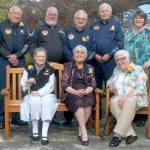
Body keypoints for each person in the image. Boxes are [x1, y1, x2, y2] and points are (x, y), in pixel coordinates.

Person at [31, 6, 65, 124]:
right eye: (50, 14)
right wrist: (37, 61)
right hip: (43, 66)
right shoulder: (39, 29)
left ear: (57, 16)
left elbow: (65, 46)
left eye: (54, 14)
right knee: (43, 90)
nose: (52, 16)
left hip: (59, 66)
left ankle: (54, 117)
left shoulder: (61, 30)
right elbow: (33, 46)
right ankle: (40, 117)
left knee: (56, 90)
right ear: (46, 15)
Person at [107, 50, 148, 147]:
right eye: (118, 60)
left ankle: (117, 135)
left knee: (129, 101)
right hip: (119, 97)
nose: (120, 61)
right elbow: (109, 80)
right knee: (113, 102)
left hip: (135, 97)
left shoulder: (137, 69)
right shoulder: (116, 69)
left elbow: (141, 88)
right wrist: (110, 85)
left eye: (123, 58)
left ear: (128, 59)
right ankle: (131, 134)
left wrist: (126, 96)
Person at [63, 10, 96, 125]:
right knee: (72, 94)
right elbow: (65, 48)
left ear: (86, 21)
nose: (80, 20)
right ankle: (68, 120)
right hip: (71, 65)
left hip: (85, 65)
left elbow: (93, 49)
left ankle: (82, 126)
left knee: (87, 97)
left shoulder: (90, 33)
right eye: (78, 18)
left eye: (83, 18)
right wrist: (74, 60)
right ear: (74, 19)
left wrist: (83, 61)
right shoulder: (68, 32)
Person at [20, 47, 58, 145]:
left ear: (46, 58)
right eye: (39, 56)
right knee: (34, 102)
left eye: (43, 57)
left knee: (47, 103)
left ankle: (44, 133)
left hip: (46, 94)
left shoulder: (50, 69)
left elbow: (50, 86)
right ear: (34, 57)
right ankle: (35, 131)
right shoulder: (29, 67)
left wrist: (40, 93)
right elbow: (23, 84)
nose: (41, 58)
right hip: (31, 93)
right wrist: (28, 82)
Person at [0, 6, 30, 128]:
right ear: (9, 14)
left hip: (20, 61)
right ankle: (2, 118)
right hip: (3, 61)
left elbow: (28, 44)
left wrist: (17, 56)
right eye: (15, 13)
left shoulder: (24, 28)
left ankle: (18, 117)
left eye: (19, 14)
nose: (17, 15)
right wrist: (9, 56)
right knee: (4, 89)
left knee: (20, 89)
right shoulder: (2, 25)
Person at [62, 45, 96, 146]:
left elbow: (93, 83)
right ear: (73, 55)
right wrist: (76, 92)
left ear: (85, 56)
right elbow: (64, 84)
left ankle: (80, 128)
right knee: (79, 101)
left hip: (86, 91)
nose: (79, 54)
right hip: (71, 92)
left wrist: (86, 90)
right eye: (77, 52)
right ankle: (84, 132)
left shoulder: (90, 68)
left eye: (82, 53)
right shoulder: (68, 66)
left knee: (89, 100)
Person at [124, 10, 150, 127]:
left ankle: (142, 116)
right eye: (136, 18)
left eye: (140, 18)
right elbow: (124, 47)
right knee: (130, 88)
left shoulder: (148, 32)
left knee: (142, 89)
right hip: (130, 67)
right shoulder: (128, 32)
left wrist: (149, 61)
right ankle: (132, 113)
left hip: (144, 66)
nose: (138, 20)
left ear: (144, 19)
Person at [90, 3, 124, 89]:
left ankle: (111, 102)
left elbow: (120, 43)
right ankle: (96, 103)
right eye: (102, 11)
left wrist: (109, 54)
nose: (104, 13)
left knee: (111, 87)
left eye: (106, 11)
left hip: (110, 61)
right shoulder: (93, 25)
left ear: (110, 13)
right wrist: (94, 54)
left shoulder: (116, 24)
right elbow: (88, 43)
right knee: (95, 86)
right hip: (95, 61)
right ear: (99, 13)